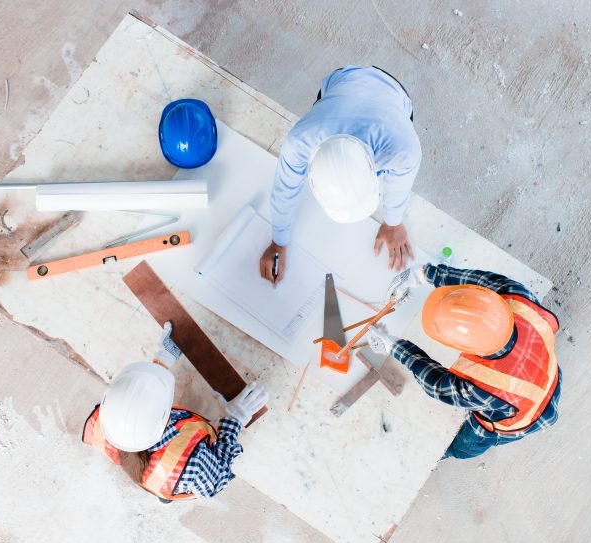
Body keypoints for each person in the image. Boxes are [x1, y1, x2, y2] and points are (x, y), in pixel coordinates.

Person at [367, 264, 562, 459]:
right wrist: (421, 274)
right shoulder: (515, 296)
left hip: (528, 417)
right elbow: (477, 281)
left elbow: (437, 384)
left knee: (465, 446)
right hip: (548, 371)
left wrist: (394, 347)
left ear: (468, 348)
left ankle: (448, 453)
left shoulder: (485, 387)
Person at [259, 66, 421, 284]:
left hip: (394, 93)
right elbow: (284, 189)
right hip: (342, 80)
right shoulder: (300, 141)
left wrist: (393, 223)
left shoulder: (402, 147)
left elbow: (399, 185)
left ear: (374, 172)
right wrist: (279, 242)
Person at [82, 322, 268, 501]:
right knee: (174, 486)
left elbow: (140, 397)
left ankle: (162, 492)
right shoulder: (194, 466)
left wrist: (163, 357)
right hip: (175, 477)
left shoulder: (114, 416)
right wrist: (234, 420)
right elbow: (218, 478)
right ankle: (166, 494)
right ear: (164, 418)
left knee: (160, 486)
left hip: (151, 473)